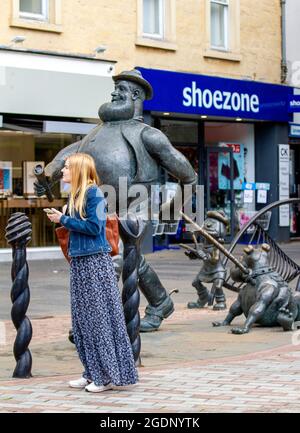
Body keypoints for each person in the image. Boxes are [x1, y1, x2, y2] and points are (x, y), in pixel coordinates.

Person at [35, 69, 198, 332]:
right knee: (127, 257)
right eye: (115, 88)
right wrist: (50, 173)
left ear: (135, 95)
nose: (113, 93)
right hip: (103, 205)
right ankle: (160, 302)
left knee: (112, 257)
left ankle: (96, 326)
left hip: (136, 204)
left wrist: (172, 210)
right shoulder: (96, 132)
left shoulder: (148, 135)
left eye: (120, 89)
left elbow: (189, 176)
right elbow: (70, 153)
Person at [46, 153, 138, 393]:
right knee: (82, 321)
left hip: (95, 263)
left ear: (78, 170)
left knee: (98, 320)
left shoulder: (94, 193)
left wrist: (63, 218)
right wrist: (65, 216)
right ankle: (91, 372)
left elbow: (95, 227)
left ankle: (106, 376)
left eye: (66, 168)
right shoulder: (76, 195)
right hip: (80, 262)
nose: (63, 172)